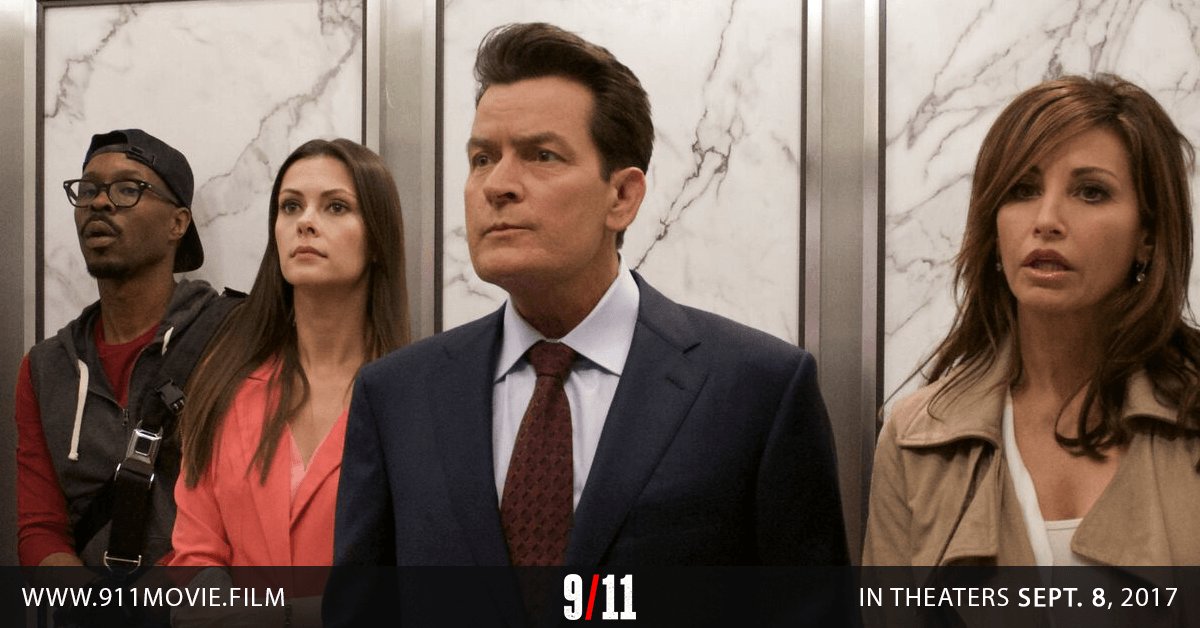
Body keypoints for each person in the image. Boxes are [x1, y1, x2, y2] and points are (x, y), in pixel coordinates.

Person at [328, 21, 847, 626]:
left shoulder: (756, 390)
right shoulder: (398, 395)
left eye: (541, 155)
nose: (497, 185)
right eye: (482, 158)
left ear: (622, 197)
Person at [863, 74, 1200, 567]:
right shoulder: (918, 439)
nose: (1046, 220)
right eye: (1022, 190)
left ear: (1147, 237)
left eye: (1090, 192)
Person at [170, 138, 410, 568]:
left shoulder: (416, 398)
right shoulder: (222, 382)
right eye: (291, 206)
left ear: (377, 238)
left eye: (336, 206)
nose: (306, 222)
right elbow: (195, 555)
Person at [15, 129, 236, 569]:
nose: (99, 202)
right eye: (88, 190)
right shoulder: (45, 368)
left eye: (128, 189)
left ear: (178, 223)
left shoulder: (230, 340)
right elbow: (40, 527)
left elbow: (247, 509)